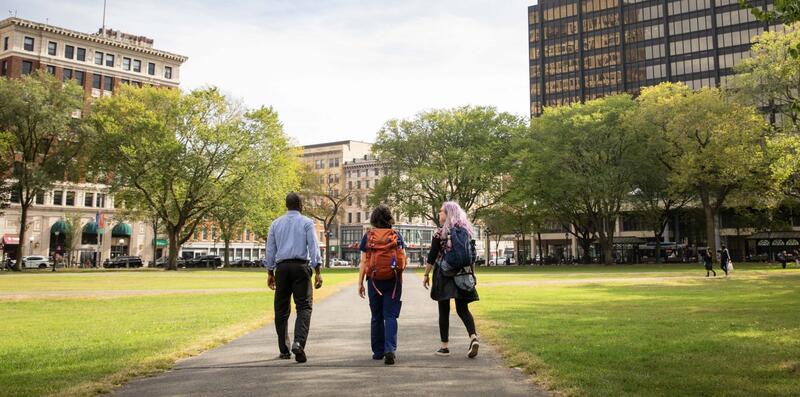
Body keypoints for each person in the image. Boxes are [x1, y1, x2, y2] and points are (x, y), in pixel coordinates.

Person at [264, 192, 323, 363]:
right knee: (304, 307)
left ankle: (284, 349)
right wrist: (317, 271)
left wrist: (270, 272)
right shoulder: (306, 222)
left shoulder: (275, 224)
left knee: (281, 310)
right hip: (300, 267)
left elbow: (270, 249)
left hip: (282, 269)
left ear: (286, 205)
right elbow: (313, 246)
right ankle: (298, 342)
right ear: (300, 205)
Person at [423, 201, 480, 358]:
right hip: (462, 275)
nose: (439, 214)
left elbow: (432, 256)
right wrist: (472, 274)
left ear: (448, 214)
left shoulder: (439, 233)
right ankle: (473, 336)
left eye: (441, 211)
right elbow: (471, 257)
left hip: (444, 275)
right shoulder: (465, 232)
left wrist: (426, 274)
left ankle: (445, 347)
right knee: (463, 309)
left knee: (444, 311)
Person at [358, 205, 406, 365]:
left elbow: (363, 261)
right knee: (390, 316)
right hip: (393, 281)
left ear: (373, 219)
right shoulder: (396, 236)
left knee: (376, 316)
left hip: (374, 280)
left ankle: (378, 352)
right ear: (389, 218)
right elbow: (403, 259)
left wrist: (360, 283)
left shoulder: (368, 236)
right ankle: (390, 349)